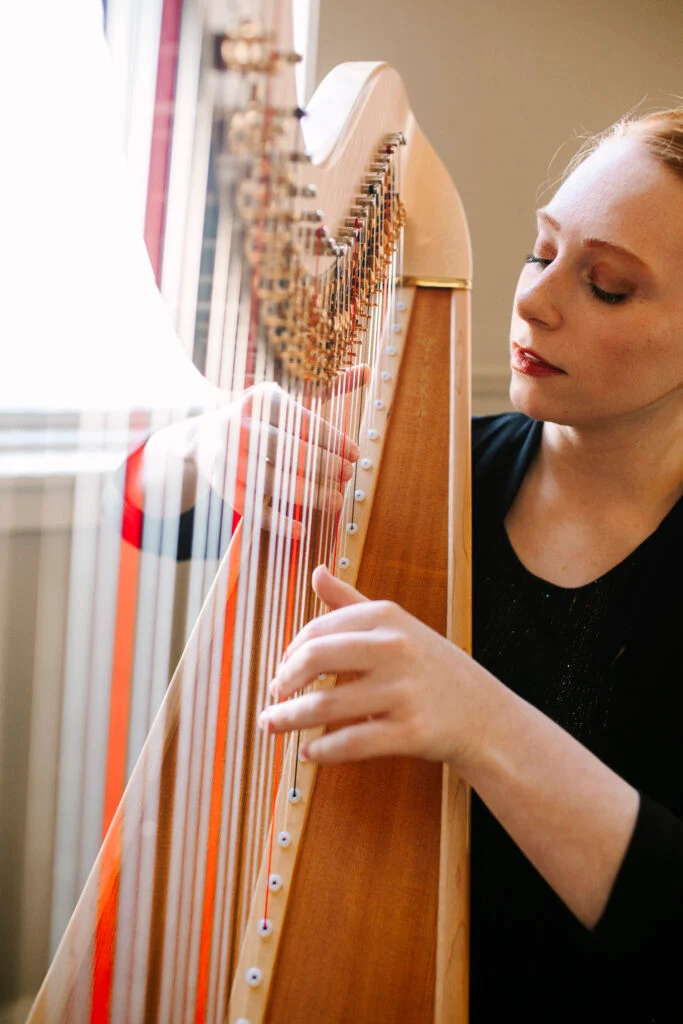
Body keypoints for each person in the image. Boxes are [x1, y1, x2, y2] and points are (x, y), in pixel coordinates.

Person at [126, 108, 683, 1020]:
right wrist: (207, 446)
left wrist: (478, 717)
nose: (536, 302)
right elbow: (149, 514)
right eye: (541, 252)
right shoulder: (432, 470)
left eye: (608, 286)